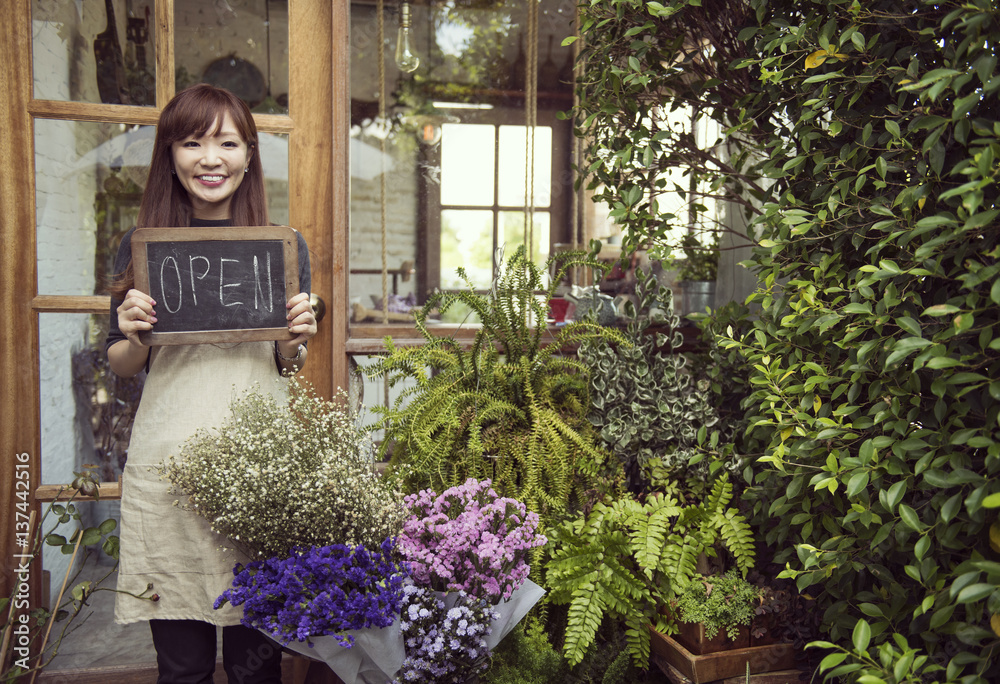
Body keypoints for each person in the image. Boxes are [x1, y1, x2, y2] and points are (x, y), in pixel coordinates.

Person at [106, 83, 317, 684]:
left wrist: (295, 337)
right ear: (170, 155)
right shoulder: (140, 247)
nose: (210, 158)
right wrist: (133, 332)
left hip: (259, 471)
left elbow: (287, 363)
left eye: (227, 142)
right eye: (192, 142)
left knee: (257, 667)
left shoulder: (283, 247)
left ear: (249, 155)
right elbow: (122, 364)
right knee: (182, 668)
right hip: (169, 468)